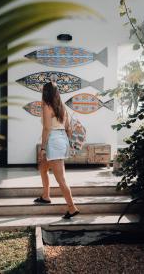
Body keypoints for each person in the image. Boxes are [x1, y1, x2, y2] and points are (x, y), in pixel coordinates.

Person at [34, 81, 80, 219]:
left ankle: (72, 208)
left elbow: (47, 128)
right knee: (42, 167)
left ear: (46, 93)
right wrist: (67, 143)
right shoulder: (62, 107)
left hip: (53, 140)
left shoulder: (47, 107)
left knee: (61, 179)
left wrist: (42, 148)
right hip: (61, 139)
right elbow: (68, 128)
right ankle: (46, 196)